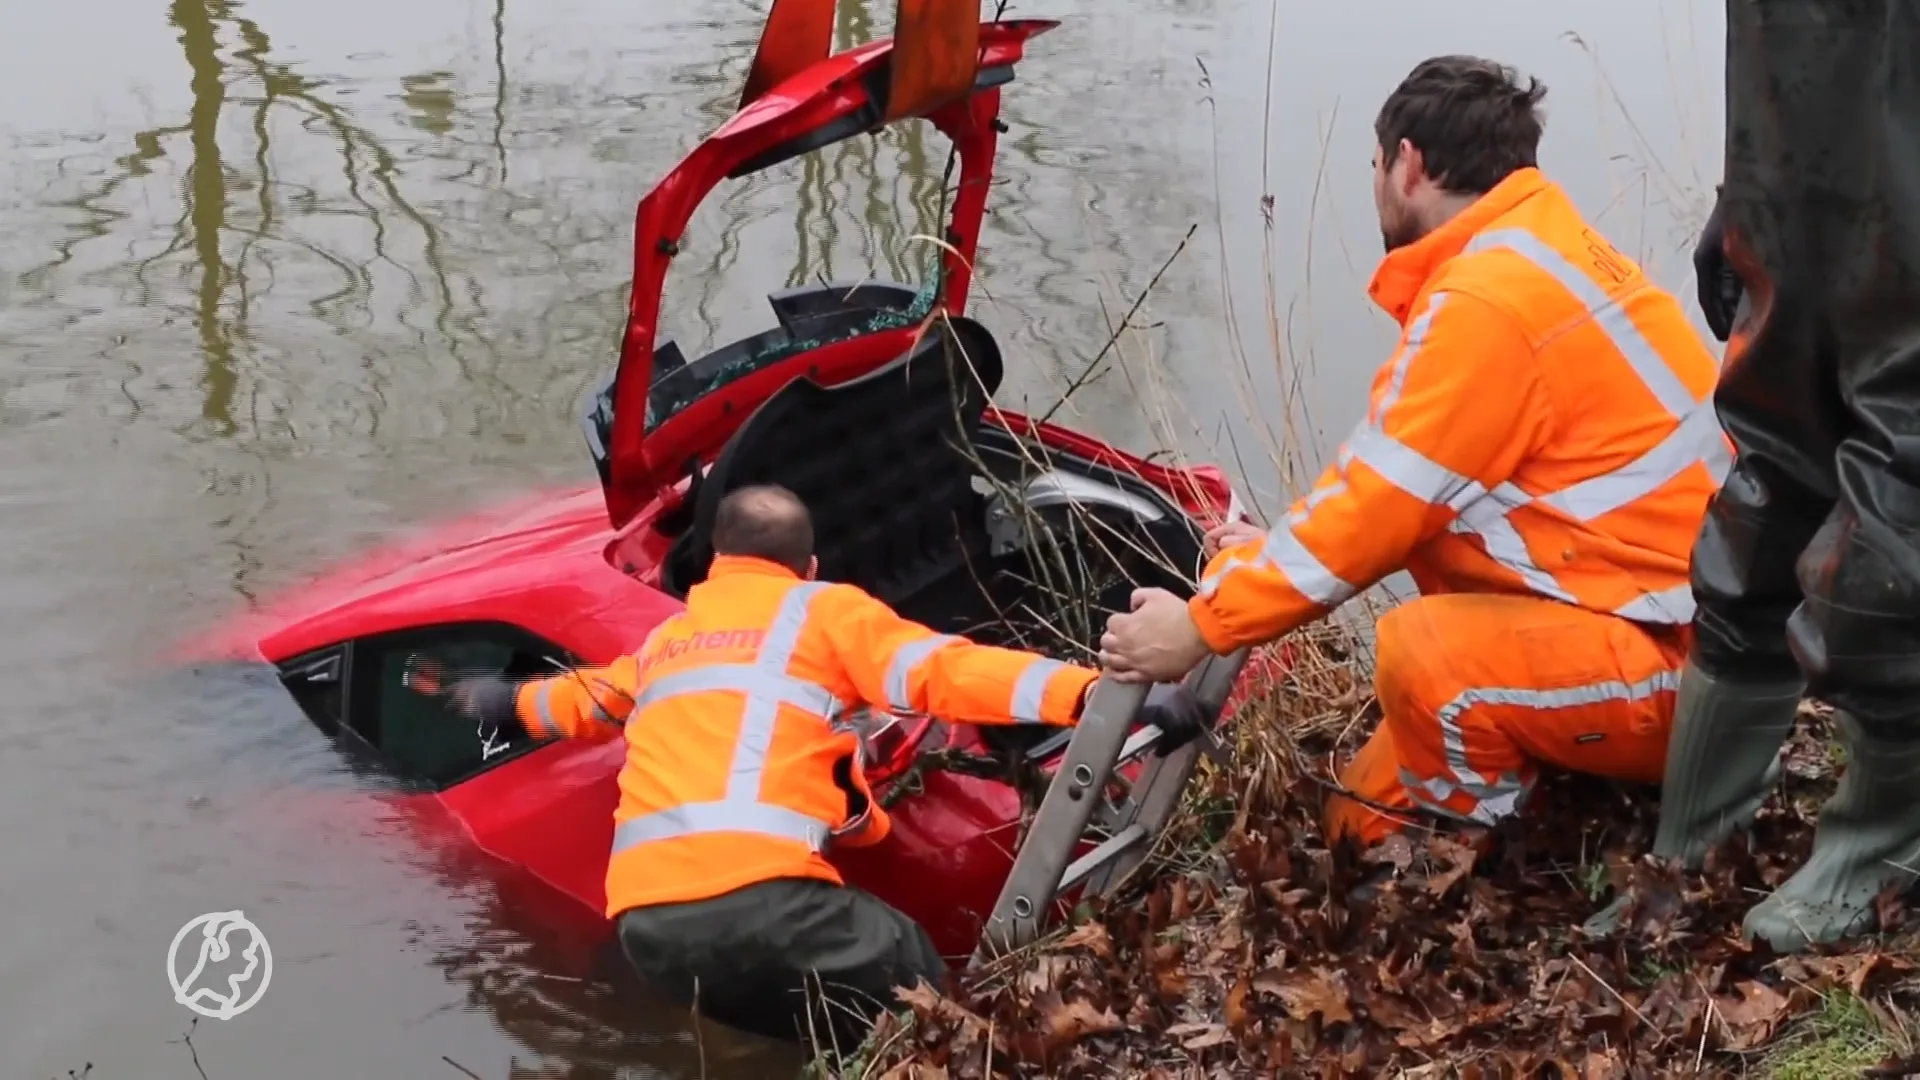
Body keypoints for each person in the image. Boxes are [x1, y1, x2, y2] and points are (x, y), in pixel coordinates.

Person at [1099, 56, 1727, 850]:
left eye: (1374, 166)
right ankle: (1499, 807)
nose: (1375, 185)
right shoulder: (1543, 251)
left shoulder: (1488, 303)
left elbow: (1375, 508)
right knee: (1354, 823)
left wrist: (1198, 627)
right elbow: (1413, 499)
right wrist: (1268, 561)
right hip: (1673, 628)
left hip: (1684, 668)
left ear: (1408, 164)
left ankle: (1488, 861)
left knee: (1422, 659)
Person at [427, 484, 1210, 1047]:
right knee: (919, 988)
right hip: (760, 898)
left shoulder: (667, 644)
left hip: (649, 930)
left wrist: (500, 700)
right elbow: (949, 672)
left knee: (833, 1032)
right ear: (807, 565)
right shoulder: (822, 611)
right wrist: (1104, 700)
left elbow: (576, 701)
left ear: (715, 564)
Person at [1621, 2, 1920, 953]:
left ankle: (1883, 842)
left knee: (1893, 509)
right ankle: (1694, 837)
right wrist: (1743, 192)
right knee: (1763, 492)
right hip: (1798, 170)